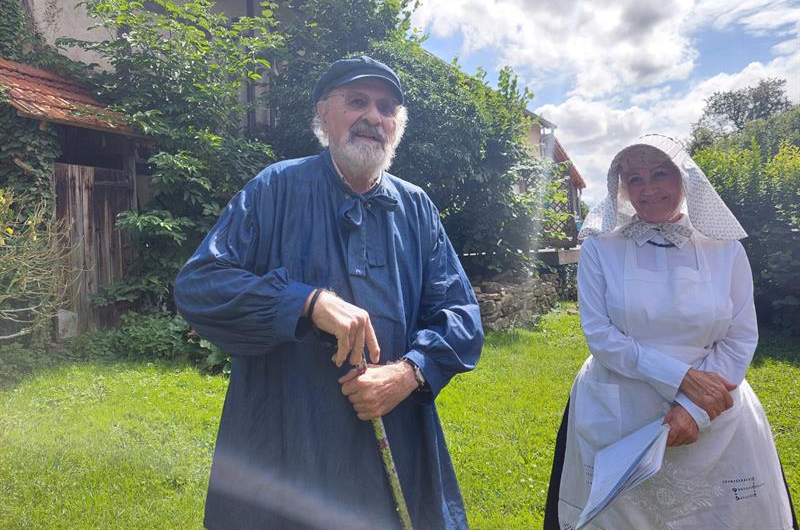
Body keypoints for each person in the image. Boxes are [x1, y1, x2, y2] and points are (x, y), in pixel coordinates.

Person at [174, 56, 484, 530]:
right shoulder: (275, 188)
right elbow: (200, 286)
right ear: (323, 114)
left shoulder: (416, 207)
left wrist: (409, 374)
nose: (373, 117)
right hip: (291, 436)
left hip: (396, 432)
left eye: (386, 107)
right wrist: (306, 302)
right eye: (357, 101)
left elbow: (462, 315)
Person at [545, 135, 796, 529]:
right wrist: (681, 378)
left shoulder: (725, 248)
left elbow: (741, 335)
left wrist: (696, 409)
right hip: (619, 409)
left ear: (685, 180)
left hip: (717, 412)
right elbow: (600, 334)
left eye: (660, 174)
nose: (648, 190)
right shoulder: (599, 248)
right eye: (635, 179)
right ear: (622, 188)